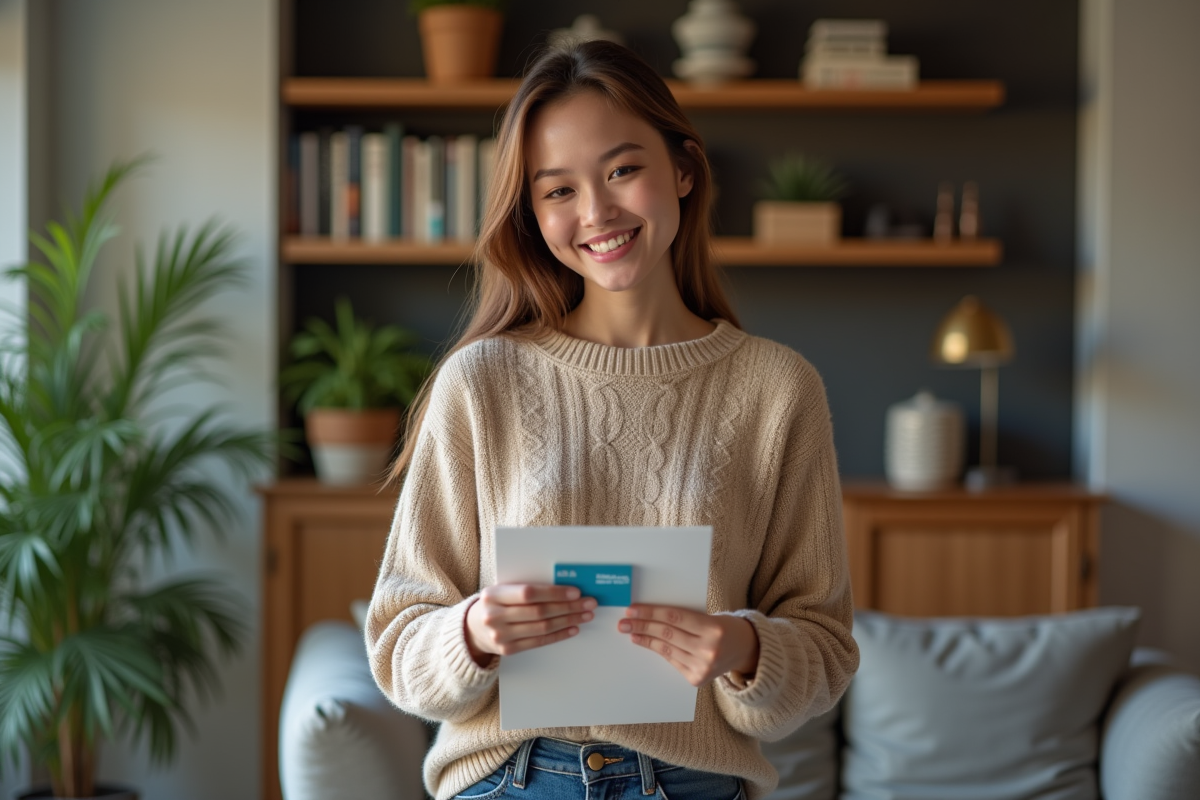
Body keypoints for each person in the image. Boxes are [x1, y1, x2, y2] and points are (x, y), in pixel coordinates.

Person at [366, 40, 859, 800]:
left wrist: (743, 646)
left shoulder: (778, 388)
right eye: (557, 190)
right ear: (531, 213)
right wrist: (472, 633)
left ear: (684, 170)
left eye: (623, 170)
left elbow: (826, 648)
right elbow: (398, 647)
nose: (596, 212)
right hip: (513, 779)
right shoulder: (482, 382)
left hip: (696, 782)